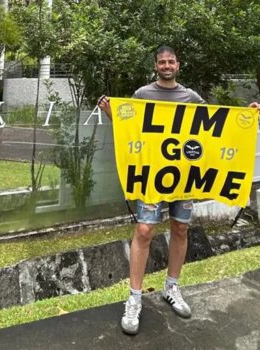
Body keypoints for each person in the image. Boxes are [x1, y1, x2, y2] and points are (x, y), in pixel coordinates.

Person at [98, 45, 260, 335]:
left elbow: (215, 131)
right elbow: (129, 128)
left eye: (171, 61)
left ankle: (172, 287)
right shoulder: (142, 95)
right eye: (162, 61)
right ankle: (134, 298)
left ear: (178, 65)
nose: (166, 65)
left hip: (183, 179)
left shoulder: (191, 97)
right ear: (156, 65)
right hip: (152, 179)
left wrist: (245, 119)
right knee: (144, 231)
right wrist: (111, 113)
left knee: (181, 229)